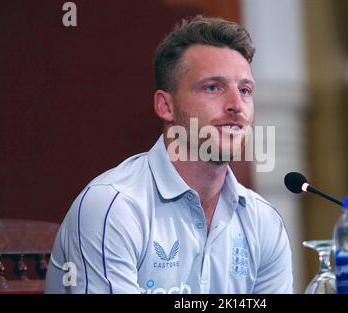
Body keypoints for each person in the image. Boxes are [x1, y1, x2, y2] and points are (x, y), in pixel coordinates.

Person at [45, 15, 294, 294]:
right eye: (213, 87)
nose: (237, 105)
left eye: (245, 90)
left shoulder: (264, 221)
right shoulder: (111, 206)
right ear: (166, 106)